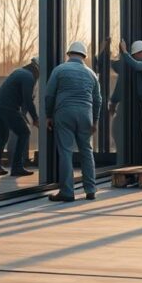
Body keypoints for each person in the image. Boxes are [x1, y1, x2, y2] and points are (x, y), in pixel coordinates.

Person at [46, 41, 102, 202]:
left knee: (65, 152)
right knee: (86, 151)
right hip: (86, 114)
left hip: (64, 114)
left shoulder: (59, 70)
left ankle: (67, 192)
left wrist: (48, 115)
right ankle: (90, 190)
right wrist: (95, 121)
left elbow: (49, 95)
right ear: (84, 56)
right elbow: (98, 100)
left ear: (69, 54)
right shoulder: (91, 74)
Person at [0, 58, 40, 177]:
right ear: (38, 68)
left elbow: (22, 100)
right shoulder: (29, 77)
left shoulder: (20, 72)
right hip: (8, 108)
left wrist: (26, 117)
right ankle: (17, 167)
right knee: (24, 133)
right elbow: (27, 100)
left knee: (2, 136)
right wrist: (35, 119)